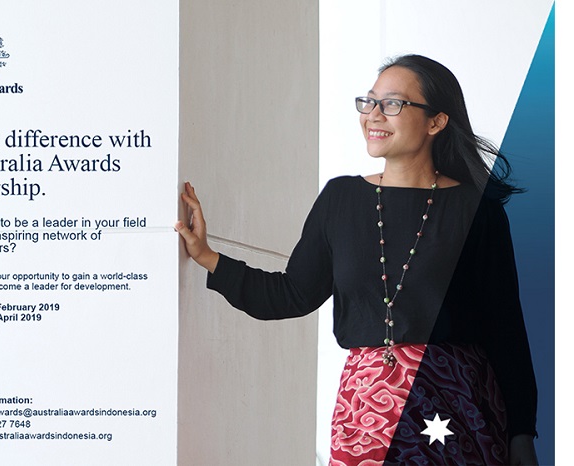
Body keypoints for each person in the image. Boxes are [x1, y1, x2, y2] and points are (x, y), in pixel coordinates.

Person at [175, 54, 538, 465]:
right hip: (365, 416)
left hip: (456, 409)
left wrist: (521, 434)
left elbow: (506, 329)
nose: (373, 115)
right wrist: (208, 256)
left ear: (436, 122)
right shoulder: (341, 199)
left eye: (392, 103)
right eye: (369, 101)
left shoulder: (477, 209)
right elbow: (291, 294)